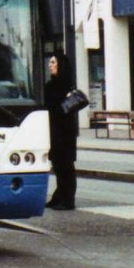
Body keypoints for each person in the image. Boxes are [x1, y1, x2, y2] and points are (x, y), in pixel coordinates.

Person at [43, 53, 78, 210]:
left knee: (66, 165)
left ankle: (67, 199)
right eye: (50, 62)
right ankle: (59, 196)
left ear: (60, 65)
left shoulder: (64, 85)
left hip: (64, 130)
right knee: (58, 164)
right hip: (54, 128)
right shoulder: (52, 84)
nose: (50, 65)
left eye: (53, 62)